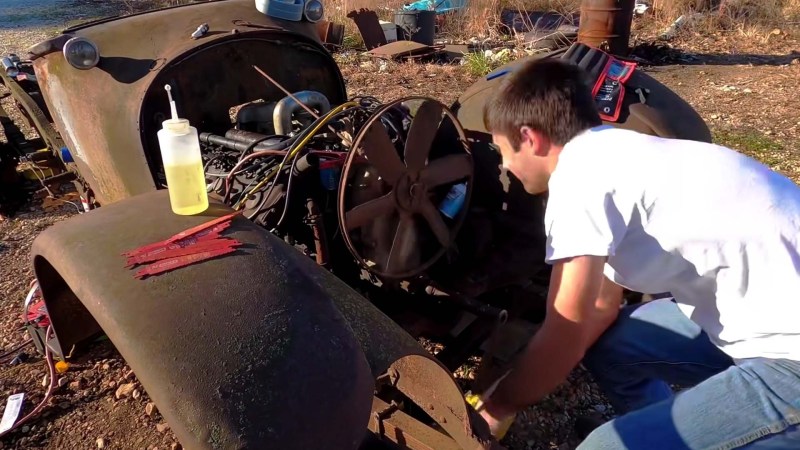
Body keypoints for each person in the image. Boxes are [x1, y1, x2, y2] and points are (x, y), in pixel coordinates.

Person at [473, 57, 800, 449]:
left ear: (530, 137)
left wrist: (497, 406)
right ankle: (666, 431)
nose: (506, 166)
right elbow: (598, 307)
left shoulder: (579, 181)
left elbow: (567, 326)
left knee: (604, 447)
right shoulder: (622, 152)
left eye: (502, 149)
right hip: (766, 311)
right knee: (615, 350)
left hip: (790, 356)